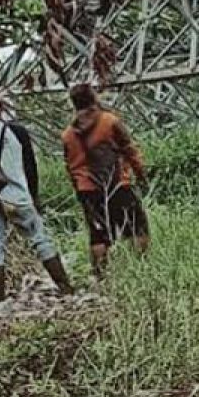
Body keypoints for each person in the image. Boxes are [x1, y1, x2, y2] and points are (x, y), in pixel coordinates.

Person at [0, 87, 73, 304]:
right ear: (0, 107)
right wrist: (35, 198)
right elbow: (30, 167)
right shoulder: (15, 131)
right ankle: (65, 288)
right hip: (16, 197)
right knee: (40, 239)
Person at [61, 84, 151, 277]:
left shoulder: (68, 134)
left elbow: (69, 166)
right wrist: (142, 175)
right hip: (117, 183)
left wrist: (79, 188)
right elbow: (130, 150)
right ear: (93, 97)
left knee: (98, 236)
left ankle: (100, 278)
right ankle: (139, 271)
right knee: (137, 228)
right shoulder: (109, 122)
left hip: (87, 190)